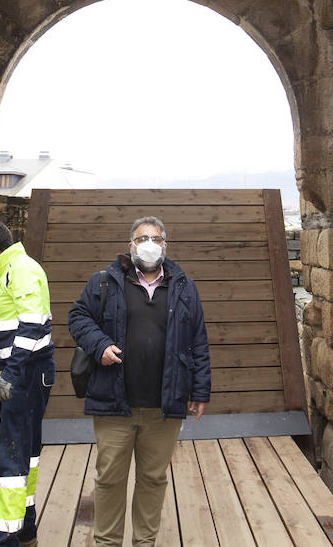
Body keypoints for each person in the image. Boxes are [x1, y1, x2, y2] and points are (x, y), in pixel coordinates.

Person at [68, 217, 210, 547]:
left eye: (156, 238)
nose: (149, 243)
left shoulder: (184, 285)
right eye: (143, 238)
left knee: (153, 479)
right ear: (131, 245)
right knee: (110, 479)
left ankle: (144, 542)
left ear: (165, 245)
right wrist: (99, 344)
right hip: (115, 403)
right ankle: (107, 542)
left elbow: (198, 340)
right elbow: (78, 316)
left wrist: (200, 389)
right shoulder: (105, 281)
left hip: (164, 407)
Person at [0, 220, 54, 547]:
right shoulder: (20, 267)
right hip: (32, 372)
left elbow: (33, 325)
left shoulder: (18, 270)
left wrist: (10, 373)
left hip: (25, 373)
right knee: (27, 454)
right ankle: (25, 530)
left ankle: (4, 538)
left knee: (10, 455)